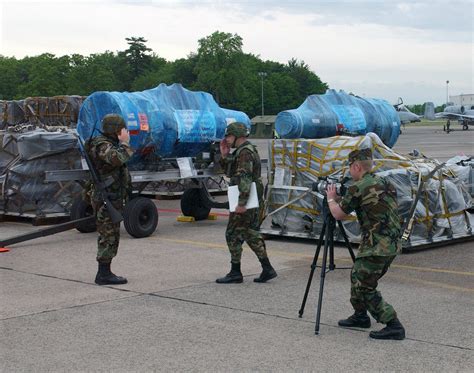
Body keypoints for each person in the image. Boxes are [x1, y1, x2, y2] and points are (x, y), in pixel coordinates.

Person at [326, 148, 405, 340]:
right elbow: (366, 204)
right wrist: (339, 199)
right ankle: (360, 316)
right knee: (357, 277)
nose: (349, 172)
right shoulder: (385, 182)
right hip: (391, 243)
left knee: (364, 286)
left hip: (377, 245)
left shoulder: (358, 187)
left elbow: (338, 214)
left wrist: (330, 198)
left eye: (350, 168)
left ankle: (393, 324)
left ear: (356, 166)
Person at [216, 122, 277, 284]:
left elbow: (245, 177)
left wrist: (241, 203)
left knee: (235, 234)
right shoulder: (242, 152)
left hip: (246, 197)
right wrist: (224, 155)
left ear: (238, 135)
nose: (227, 139)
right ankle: (266, 268)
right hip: (247, 196)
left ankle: (237, 272)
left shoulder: (245, 153)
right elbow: (231, 172)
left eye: (229, 136)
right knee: (247, 233)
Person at [86, 114, 133, 285]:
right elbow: (117, 158)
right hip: (106, 196)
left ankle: (106, 271)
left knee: (111, 233)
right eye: (121, 129)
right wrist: (125, 143)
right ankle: (103, 274)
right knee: (108, 235)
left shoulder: (105, 143)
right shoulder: (103, 146)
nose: (124, 131)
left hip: (111, 195)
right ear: (115, 130)